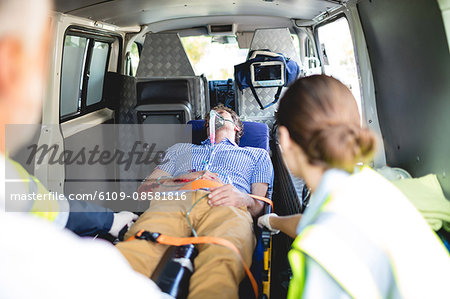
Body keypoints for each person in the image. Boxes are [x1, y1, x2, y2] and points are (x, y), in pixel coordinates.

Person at [0, 0, 168, 297]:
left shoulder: (10, 178)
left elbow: (49, 206)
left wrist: (109, 220)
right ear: (10, 68)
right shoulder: (75, 274)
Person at [257, 75, 450, 299]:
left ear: (285, 139)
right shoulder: (370, 186)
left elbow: (330, 232)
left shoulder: (323, 249)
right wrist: (274, 221)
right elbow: (320, 222)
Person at [116, 105, 274, 299]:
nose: (214, 118)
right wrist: (184, 178)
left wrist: (243, 198)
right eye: (209, 120)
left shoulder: (257, 155)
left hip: (228, 204)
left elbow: (259, 207)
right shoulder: (180, 149)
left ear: (237, 127)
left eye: (221, 115)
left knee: (221, 262)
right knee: (135, 251)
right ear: (206, 128)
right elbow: (145, 190)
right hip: (175, 202)